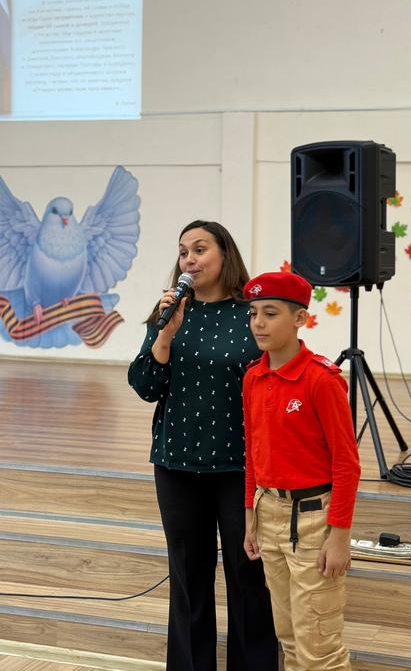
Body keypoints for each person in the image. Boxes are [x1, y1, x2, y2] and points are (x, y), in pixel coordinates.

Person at [128, 221, 278, 671]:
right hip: (177, 464)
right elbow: (145, 385)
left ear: (224, 254)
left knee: (248, 579)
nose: (189, 260)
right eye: (183, 252)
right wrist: (165, 334)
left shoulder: (251, 314)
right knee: (188, 582)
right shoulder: (170, 313)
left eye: (199, 249)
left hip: (240, 468)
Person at [242, 271, 361, 671]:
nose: (258, 323)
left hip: (312, 522)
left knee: (319, 649)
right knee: (289, 638)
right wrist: (251, 516)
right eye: (253, 313)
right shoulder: (253, 377)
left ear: (299, 319)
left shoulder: (321, 380)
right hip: (268, 513)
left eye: (270, 313)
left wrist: (339, 536)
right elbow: (253, 454)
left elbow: (347, 463)